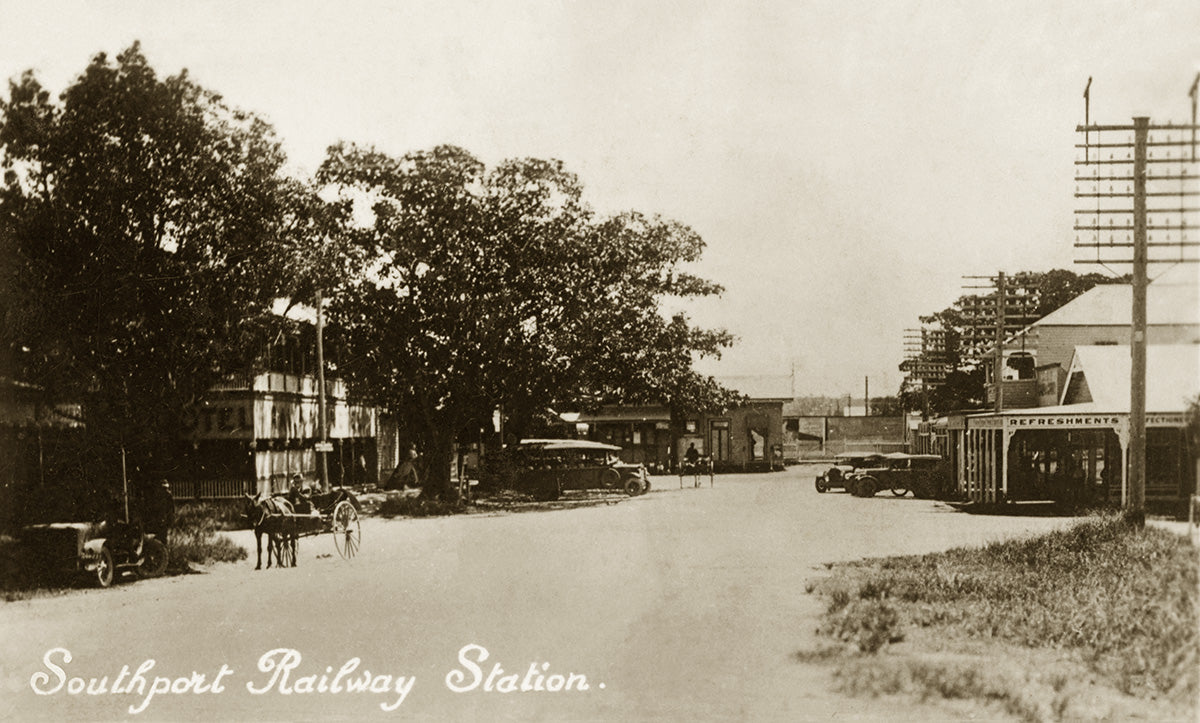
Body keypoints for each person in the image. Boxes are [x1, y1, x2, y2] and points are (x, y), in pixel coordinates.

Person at [142, 480, 175, 545]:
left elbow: (171, 509)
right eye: (163, 488)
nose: (165, 490)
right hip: (159, 518)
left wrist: (170, 520)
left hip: (163, 517)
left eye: (166, 488)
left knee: (162, 536)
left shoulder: (168, 495)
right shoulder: (157, 496)